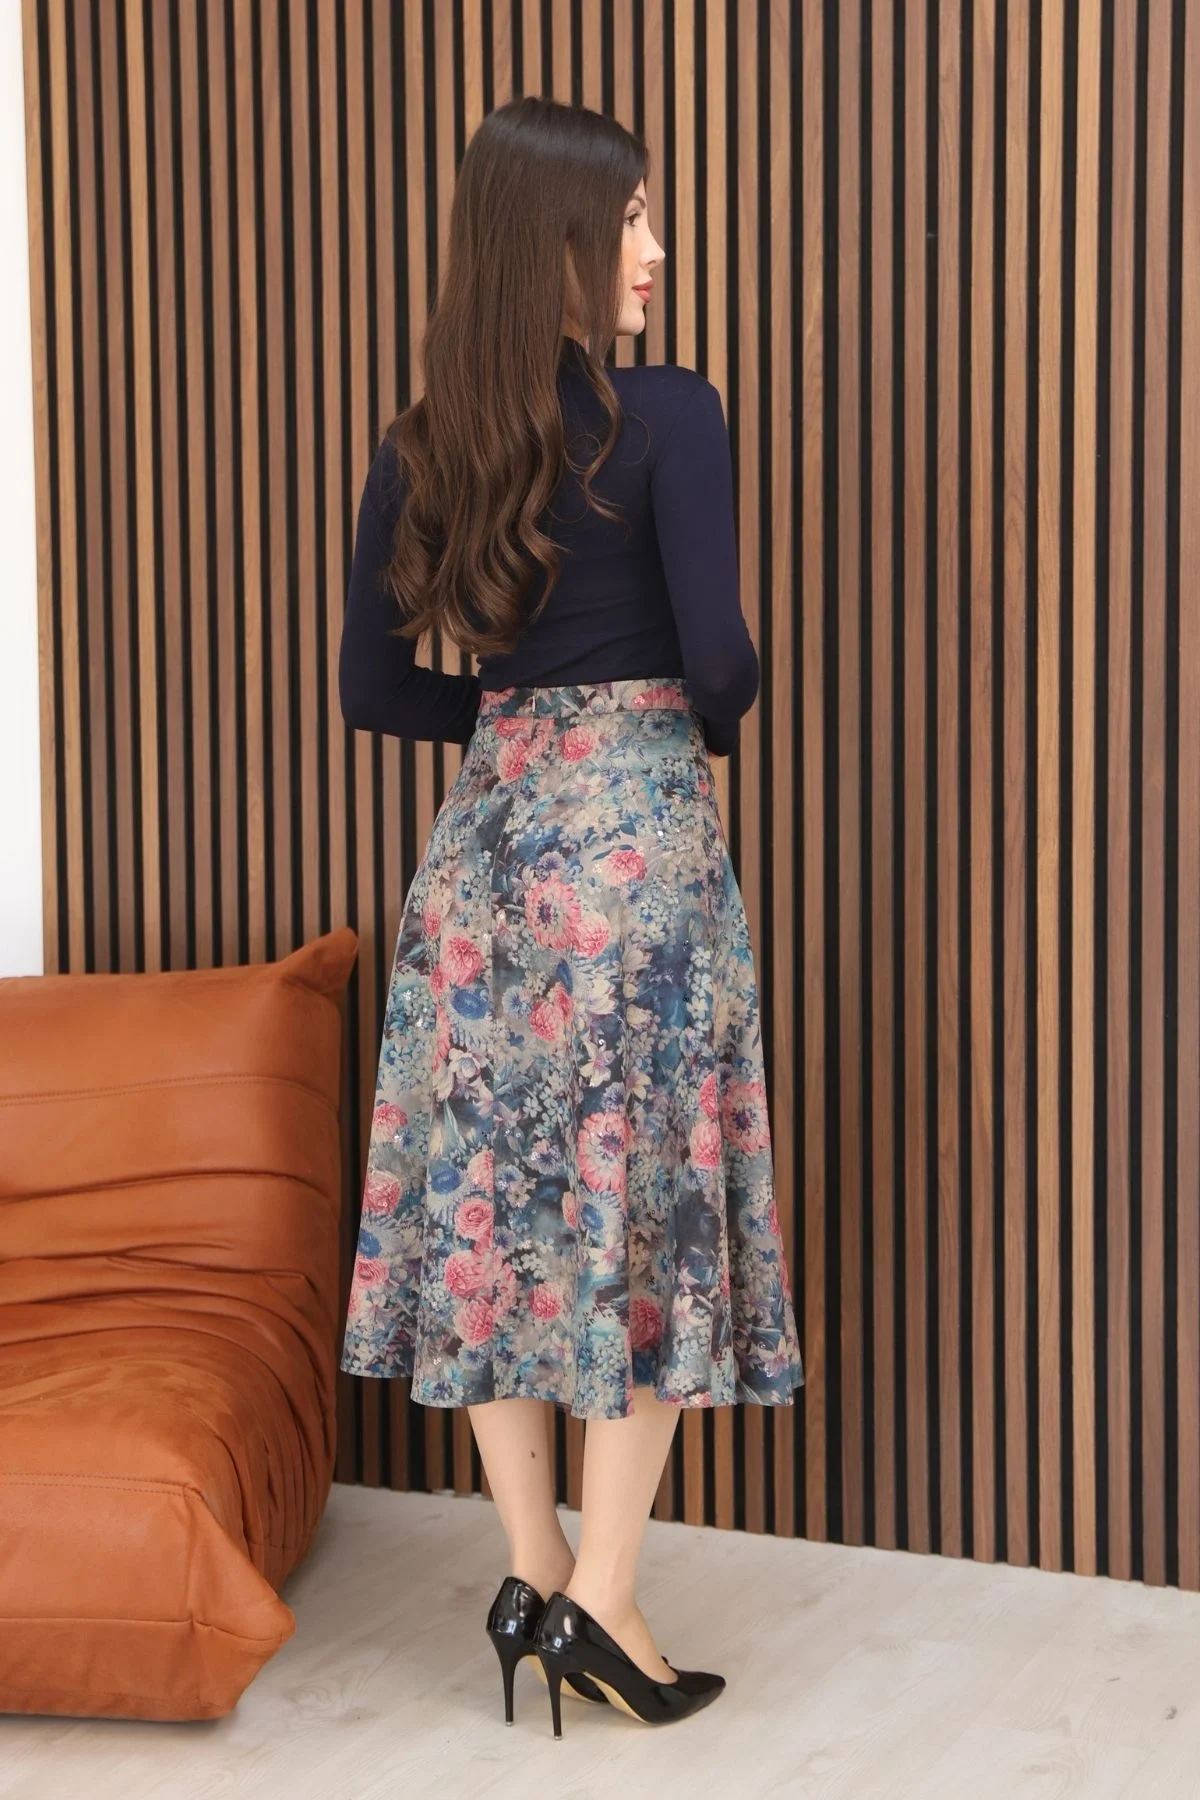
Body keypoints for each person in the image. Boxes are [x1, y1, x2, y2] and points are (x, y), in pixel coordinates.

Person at [337, 94, 804, 1736]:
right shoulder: (669, 411)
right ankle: (604, 1600)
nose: (655, 250)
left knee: (503, 1215)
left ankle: (531, 1573)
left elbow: (373, 687)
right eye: (634, 220)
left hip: (483, 863)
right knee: (643, 1213)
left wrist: (512, 724)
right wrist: (689, 716)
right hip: (636, 859)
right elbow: (721, 655)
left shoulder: (422, 441)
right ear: (559, 242)